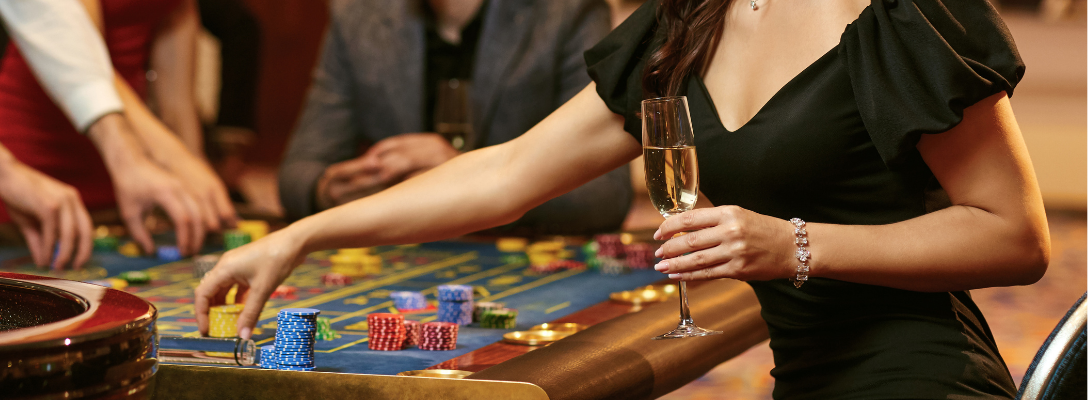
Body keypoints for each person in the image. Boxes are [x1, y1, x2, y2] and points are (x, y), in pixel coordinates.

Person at [198, 0, 1050, 397]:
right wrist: (304, 233)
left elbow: (1015, 238)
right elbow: (508, 172)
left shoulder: (906, 14)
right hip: (803, 376)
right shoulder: (688, 23)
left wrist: (793, 244)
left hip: (920, 375)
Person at [278, 0, 632, 235]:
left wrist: (463, 174)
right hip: (399, 252)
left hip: (514, 259)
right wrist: (329, 190)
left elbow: (604, 198)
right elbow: (297, 174)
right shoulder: (358, 13)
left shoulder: (568, 10)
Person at [0, 0, 237, 268]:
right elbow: (85, 53)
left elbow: (178, 103)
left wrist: (193, 169)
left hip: (111, 139)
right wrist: (7, 172)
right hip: (39, 140)